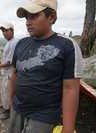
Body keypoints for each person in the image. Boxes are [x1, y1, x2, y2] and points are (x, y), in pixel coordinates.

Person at [9, 0, 83, 133]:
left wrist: (68, 129)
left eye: (34, 16)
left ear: (52, 17)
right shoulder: (21, 43)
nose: (27, 22)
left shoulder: (66, 46)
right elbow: (14, 73)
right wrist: (11, 101)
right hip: (17, 109)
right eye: (26, 17)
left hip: (44, 117)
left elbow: (70, 89)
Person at [0, 23, 18, 120]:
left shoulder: (13, 43)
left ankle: (7, 112)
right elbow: (6, 59)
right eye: (3, 31)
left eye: (6, 30)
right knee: (4, 91)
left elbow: (10, 62)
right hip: (5, 73)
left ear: (12, 30)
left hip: (9, 74)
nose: (4, 33)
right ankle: (5, 106)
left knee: (8, 92)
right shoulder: (9, 42)